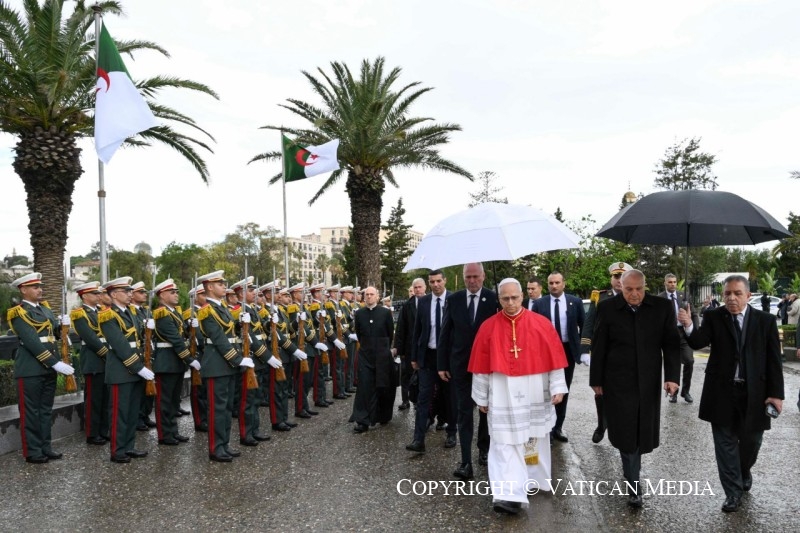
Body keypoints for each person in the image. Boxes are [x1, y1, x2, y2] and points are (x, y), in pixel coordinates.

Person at [678, 274, 784, 513]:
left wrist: (776, 394)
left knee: (751, 442)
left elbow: (774, 361)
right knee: (725, 444)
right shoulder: (714, 316)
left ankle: (744, 471)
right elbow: (698, 342)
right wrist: (688, 325)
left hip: (755, 393)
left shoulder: (765, 321)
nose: (732, 298)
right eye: (727, 294)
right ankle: (732, 493)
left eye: (737, 293)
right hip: (721, 392)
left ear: (748, 295)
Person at [470, 278, 568, 514]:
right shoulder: (488, 327)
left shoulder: (542, 324)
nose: (511, 302)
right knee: (503, 441)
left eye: (514, 297)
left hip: (535, 390)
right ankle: (508, 494)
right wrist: (481, 397)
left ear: (522, 296)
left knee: (533, 439)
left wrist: (557, 387)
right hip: (501, 392)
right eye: (505, 298)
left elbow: (555, 360)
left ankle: (532, 480)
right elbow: (481, 366)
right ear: (499, 299)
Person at [589, 269, 681, 508]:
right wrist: (596, 380)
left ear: (645, 286)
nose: (634, 294)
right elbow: (599, 346)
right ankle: (634, 485)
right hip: (617, 381)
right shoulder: (607, 308)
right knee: (626, 432)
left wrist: (672, 377)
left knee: (641, 429)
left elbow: (671, 345)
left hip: (648, 381)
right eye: (628, 289)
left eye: (638, 289)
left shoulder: (661, 307)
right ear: (621, 286)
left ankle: (632, 471)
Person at [438, 262, 498, 479]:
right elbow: (445, 332)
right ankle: (465, 461)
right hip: (460, 366)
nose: (472, 281)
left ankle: (484, 449)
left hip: (487, 366)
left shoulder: (494, 299)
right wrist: (442, 364)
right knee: (464, 411)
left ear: (483, 276)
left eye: (475, 276)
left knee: (486, 409)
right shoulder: (454, 300)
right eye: (468, 277)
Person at [7, 272, 74, 463]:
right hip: (30, 369)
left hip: (48, 369)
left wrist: (63, 327)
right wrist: (55, 363)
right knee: (31, 412)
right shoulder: (19, 312)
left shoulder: (45, 309)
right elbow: (32, 342)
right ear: (23, 290)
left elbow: (53, 335)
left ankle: (46, 446)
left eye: (40, 287)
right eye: (35, 287)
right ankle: (33, 451)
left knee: (45, 410)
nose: (40, 290)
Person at [196, 270, 254, 462]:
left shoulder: (222, 308)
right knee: (217, 409)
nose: (224, 287)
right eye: (220, 284)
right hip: (216, 365)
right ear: (210, 287)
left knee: (227, 408)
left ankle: (224, 444)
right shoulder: (206, 310)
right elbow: (219, 339)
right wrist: (238, 359)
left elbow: (230, 334)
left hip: (227, 365)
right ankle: (215, 448)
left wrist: (241, 324)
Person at [98, 277, 155, 464]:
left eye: (131, 291)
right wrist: (139, 368)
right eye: (126, 291)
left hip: (136, 369)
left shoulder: (131, 313)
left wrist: (148, 329)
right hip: (121, 371)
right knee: (119, 413)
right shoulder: (108, 315)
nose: (131, 294)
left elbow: (138, 340)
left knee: (131, 412)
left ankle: (129, 446)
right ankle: (117, 450)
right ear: (114, 294)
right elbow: (120, 345)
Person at [580, 261, 632, 444]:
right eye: (616, 276)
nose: (619, 280)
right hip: (603, 353)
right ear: (611, 279)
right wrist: (585, 349)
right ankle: (602, 424)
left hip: (626, 353)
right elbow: (589, 323)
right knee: (600, 391)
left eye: (623, 276)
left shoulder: (634, 297)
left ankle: (621, 427)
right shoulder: (600, 297)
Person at [405, 270, 456, 453]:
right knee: (423, 398)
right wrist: (414, 357)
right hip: (427, 357)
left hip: (448, 358)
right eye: (432, 281)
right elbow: (417, 331)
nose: (435, 285)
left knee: (449, 396)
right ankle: (418, 439)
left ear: (445, 281)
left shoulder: (453, 299)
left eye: (438, 281)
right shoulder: (424, 302)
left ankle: (452, 432)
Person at [532, 271, 585, 442]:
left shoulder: (575, 302)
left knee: (563, 389)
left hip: (567, 350)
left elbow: (584, 326)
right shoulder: (539, 304)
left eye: (557, 282)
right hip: (546, 352)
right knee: (546, 389)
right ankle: (547, 427)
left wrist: (583, 349)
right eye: (551, 283)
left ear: (564, 283)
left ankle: (558, 427)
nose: (554, 286)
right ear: (547, 285)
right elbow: (533, 329)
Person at [152, 278, 200, 446]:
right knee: (164, 401)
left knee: (173, 401)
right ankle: (164, 434)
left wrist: (189, 327)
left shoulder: (173, 312)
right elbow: (175, 340)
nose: (176, 295)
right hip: (166, 362)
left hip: (176, 362)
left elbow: (181, 334)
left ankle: (173, 430)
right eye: (172, 292)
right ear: (162, 295)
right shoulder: (162, 314)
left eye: (176, 292)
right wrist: (189, 359)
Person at [349, 286, 395, 432]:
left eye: (371, 294)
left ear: (377, 297)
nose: (369, 297)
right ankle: (363, 420)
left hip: (382, 353)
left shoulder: (385, 313)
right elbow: (358, 332)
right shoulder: (359, 313)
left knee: (382, 385)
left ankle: (382, 415)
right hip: (366, 353)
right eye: (367, 294)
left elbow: (390, 333)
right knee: (364, 386)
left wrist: (385, 348)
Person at [71, 281, 111, 446]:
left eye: (98, 293)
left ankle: (104, 430)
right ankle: (92, 433)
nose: (99, 296)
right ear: (85, 296)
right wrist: (109, 356)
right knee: (94, 399)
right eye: (95, 294)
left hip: (107, 361)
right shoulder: (80, 314)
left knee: (105, 399)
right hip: (94, 360)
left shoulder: (103, 311)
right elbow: (91, 339)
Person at [658, 273, 699, 404]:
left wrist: (695, 329)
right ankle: (673, 393)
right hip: (669, 334)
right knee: (672, 363)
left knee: (689, 361)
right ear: (665, 283)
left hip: (684, 333)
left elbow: (694, 313)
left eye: (674, 282)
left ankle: (685, 391)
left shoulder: (684, 296)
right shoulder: (659, 298)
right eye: (670, 282)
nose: (673, 284)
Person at [394, 278, 426, 411]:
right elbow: (401, 328)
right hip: (409, 347)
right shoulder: (407, 305)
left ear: (425, 288)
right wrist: (399, 349)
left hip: (426, 347)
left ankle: (421, 401)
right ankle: (405, 400)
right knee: (407, 374)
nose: (417, 290)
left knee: (424, 375)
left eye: (419, 287)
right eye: (415, 287)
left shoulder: (431, 302)